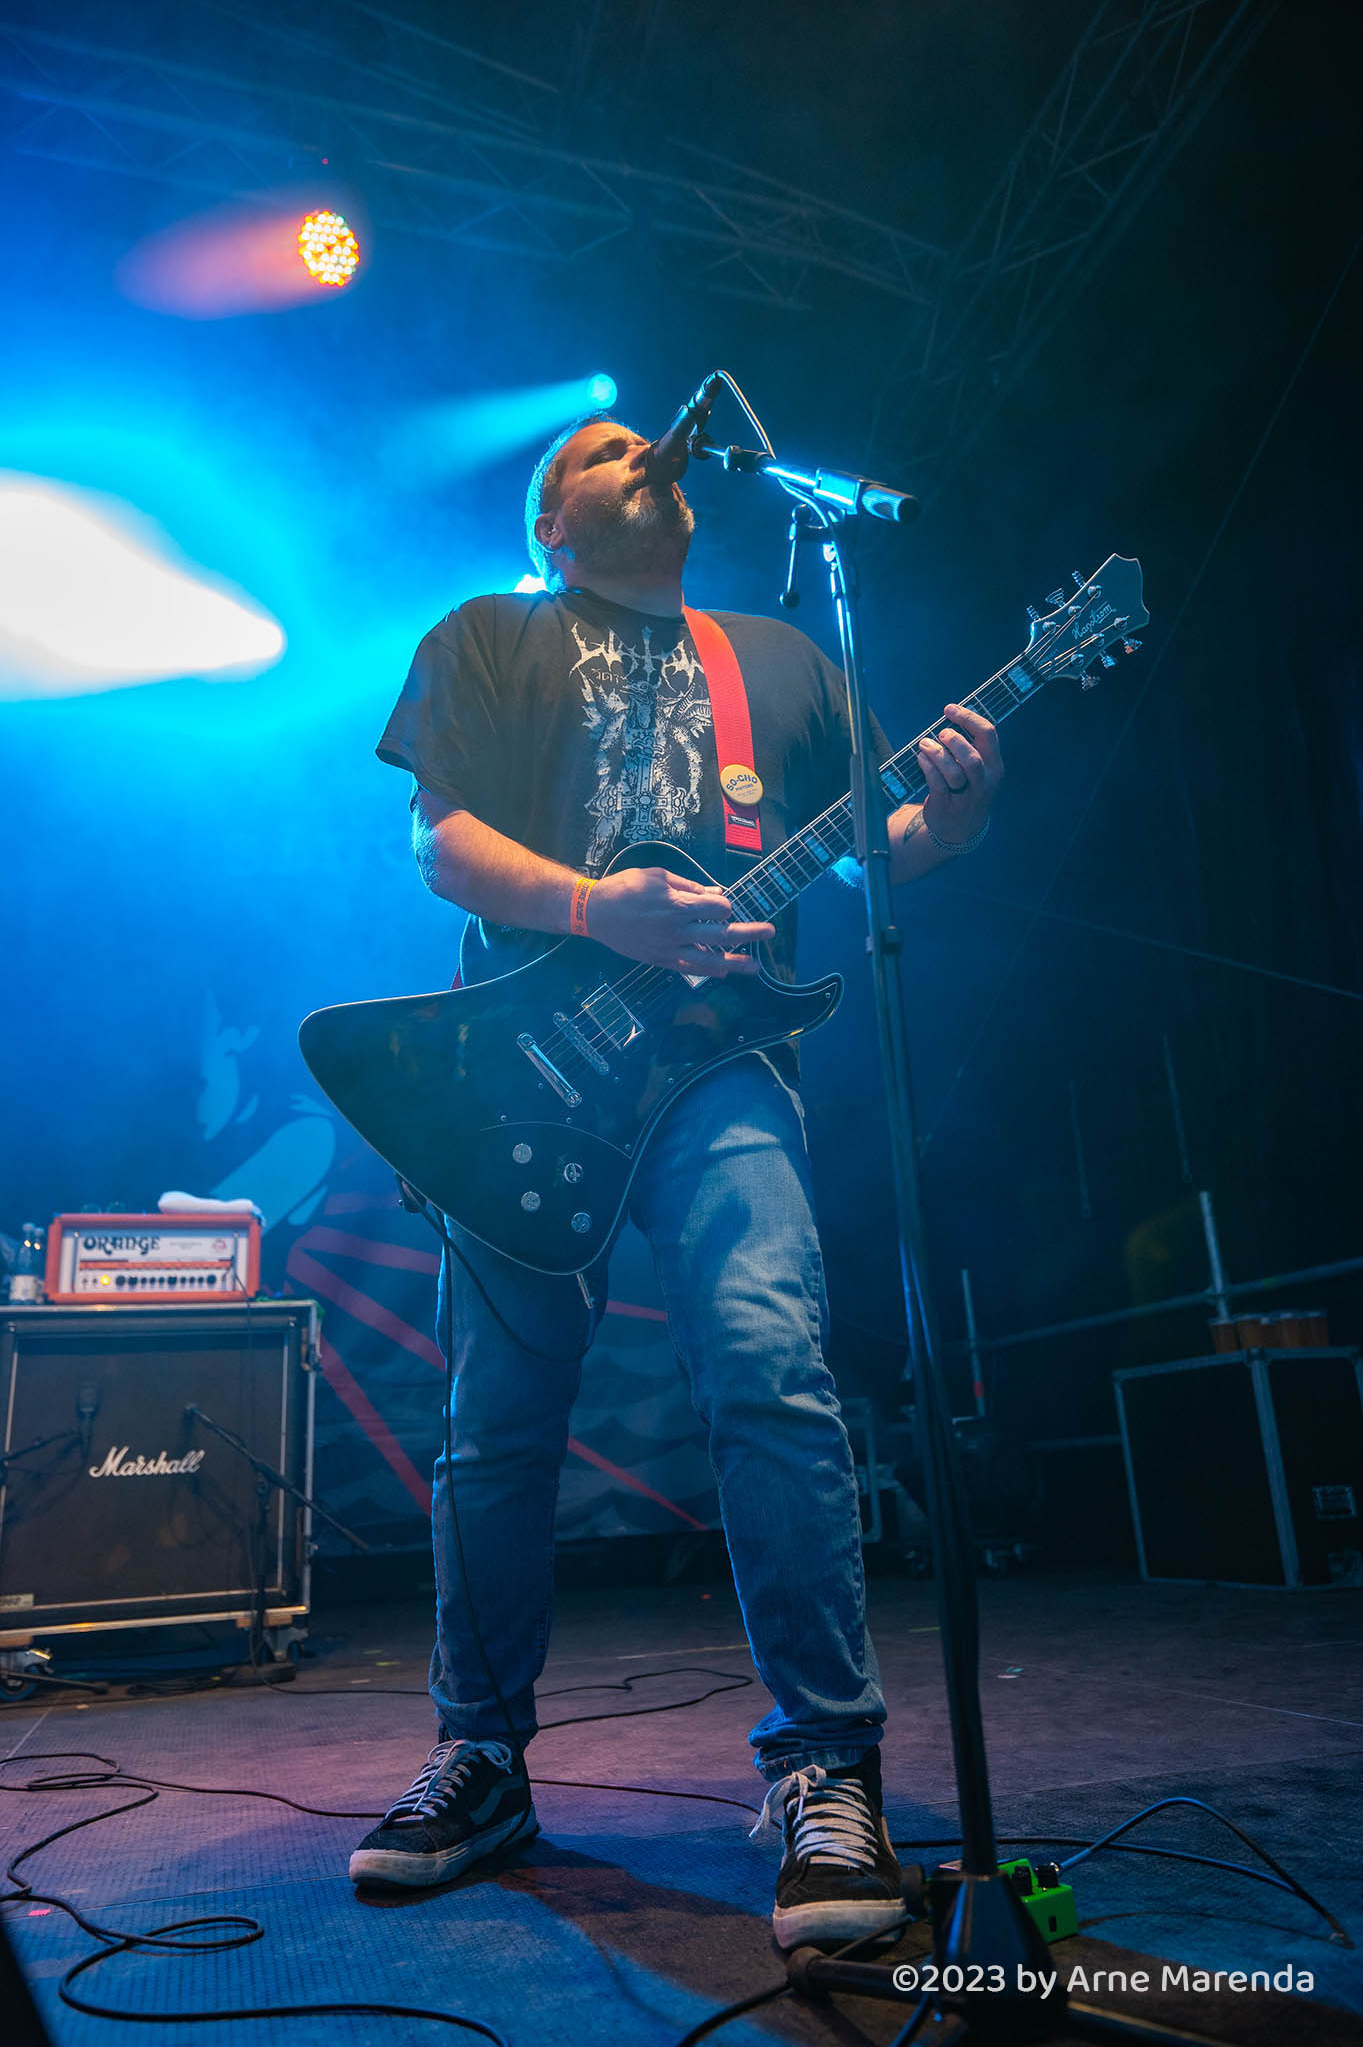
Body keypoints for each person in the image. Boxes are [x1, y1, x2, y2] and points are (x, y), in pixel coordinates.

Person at [349, 415, 1003, 1946]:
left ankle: (828, 1766)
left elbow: (880, 847)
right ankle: (480, 1755)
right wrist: (599, 908)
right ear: (550, 522)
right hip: (524, 1080)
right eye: (603, 450)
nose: (644, 450)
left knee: (773, 1372)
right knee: (498, 1425)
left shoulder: (779, 657)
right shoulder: (487, 635)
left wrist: (960, 814)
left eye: (649, 443)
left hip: (723, 1068)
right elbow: (439, 846)